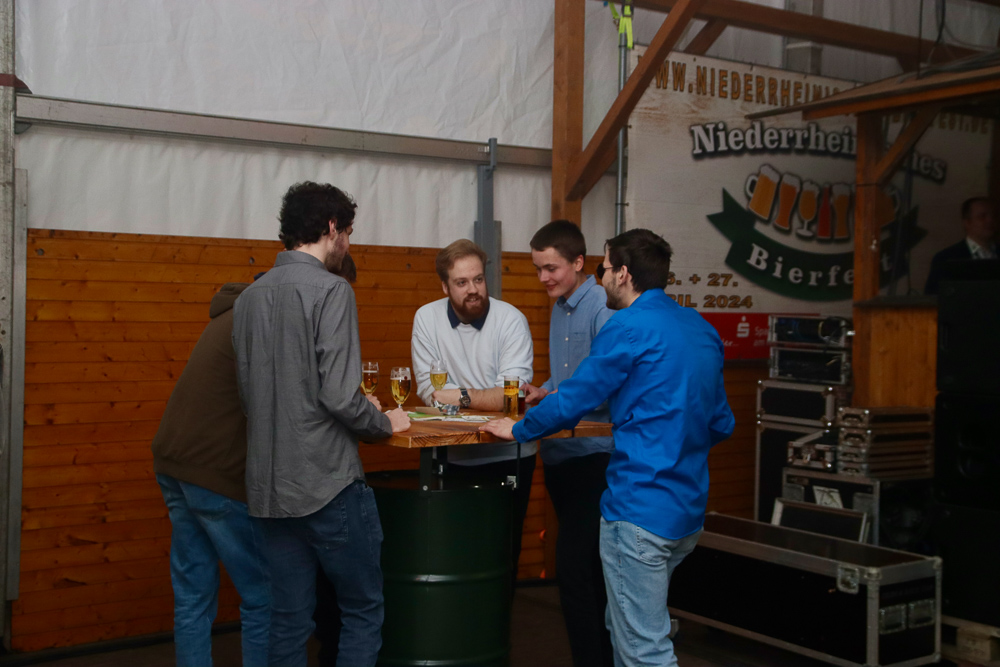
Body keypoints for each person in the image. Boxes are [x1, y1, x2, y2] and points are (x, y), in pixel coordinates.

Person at [481, 228, 735, 667]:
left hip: (639, 511)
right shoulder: (701, 328)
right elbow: (721, 422)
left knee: (643, 650)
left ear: (623, 274)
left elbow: (575, 398)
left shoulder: (627, 328)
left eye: (604, 269)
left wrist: (520, 430)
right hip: (687, 513)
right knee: (629, 633)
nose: (600, 279)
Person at [233, 181, 411, 667]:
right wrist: (384, 422)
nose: (348, 244)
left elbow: (249, 398)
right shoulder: (332, 290)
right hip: (327, 485)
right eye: (348, 233)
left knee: (288, 621)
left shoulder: (248, 298)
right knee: (363, 609)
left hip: (268, 490)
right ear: (332, 227)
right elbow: (338, 396)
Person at [152, 282, 270, 667]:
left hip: (173, 462)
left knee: (192, 596)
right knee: (265, 597)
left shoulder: (229, 314)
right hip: (215, 472)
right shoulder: (259, 320)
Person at [410, 239, 535, 580]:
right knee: (454, 554)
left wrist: (461, 396)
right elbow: (430, 393)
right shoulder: (427, 318)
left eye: (478, 279)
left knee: (501, 556)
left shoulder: (511, 320)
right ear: (445, 286)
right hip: (451, 456)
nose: (473, 290)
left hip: (508, 454)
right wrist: (482, 396)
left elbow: (513, 398)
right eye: (462, 282)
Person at [523, 220, 614, 667]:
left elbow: (604, 385)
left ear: (579, 262)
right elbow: (569, 377)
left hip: (594, 459)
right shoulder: (559, 307)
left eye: (551, 268)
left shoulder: (603, 305)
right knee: (582, 572)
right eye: (538, 269)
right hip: (560, 456)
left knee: (579, 573)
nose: (544, 277)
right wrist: (544, 389)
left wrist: (554, 398)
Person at [925, 196, 997, 294]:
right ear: (967, 222)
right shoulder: (946, 259)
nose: (990, 220)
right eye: (982, 216)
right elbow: (933, 296)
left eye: (993, 216)